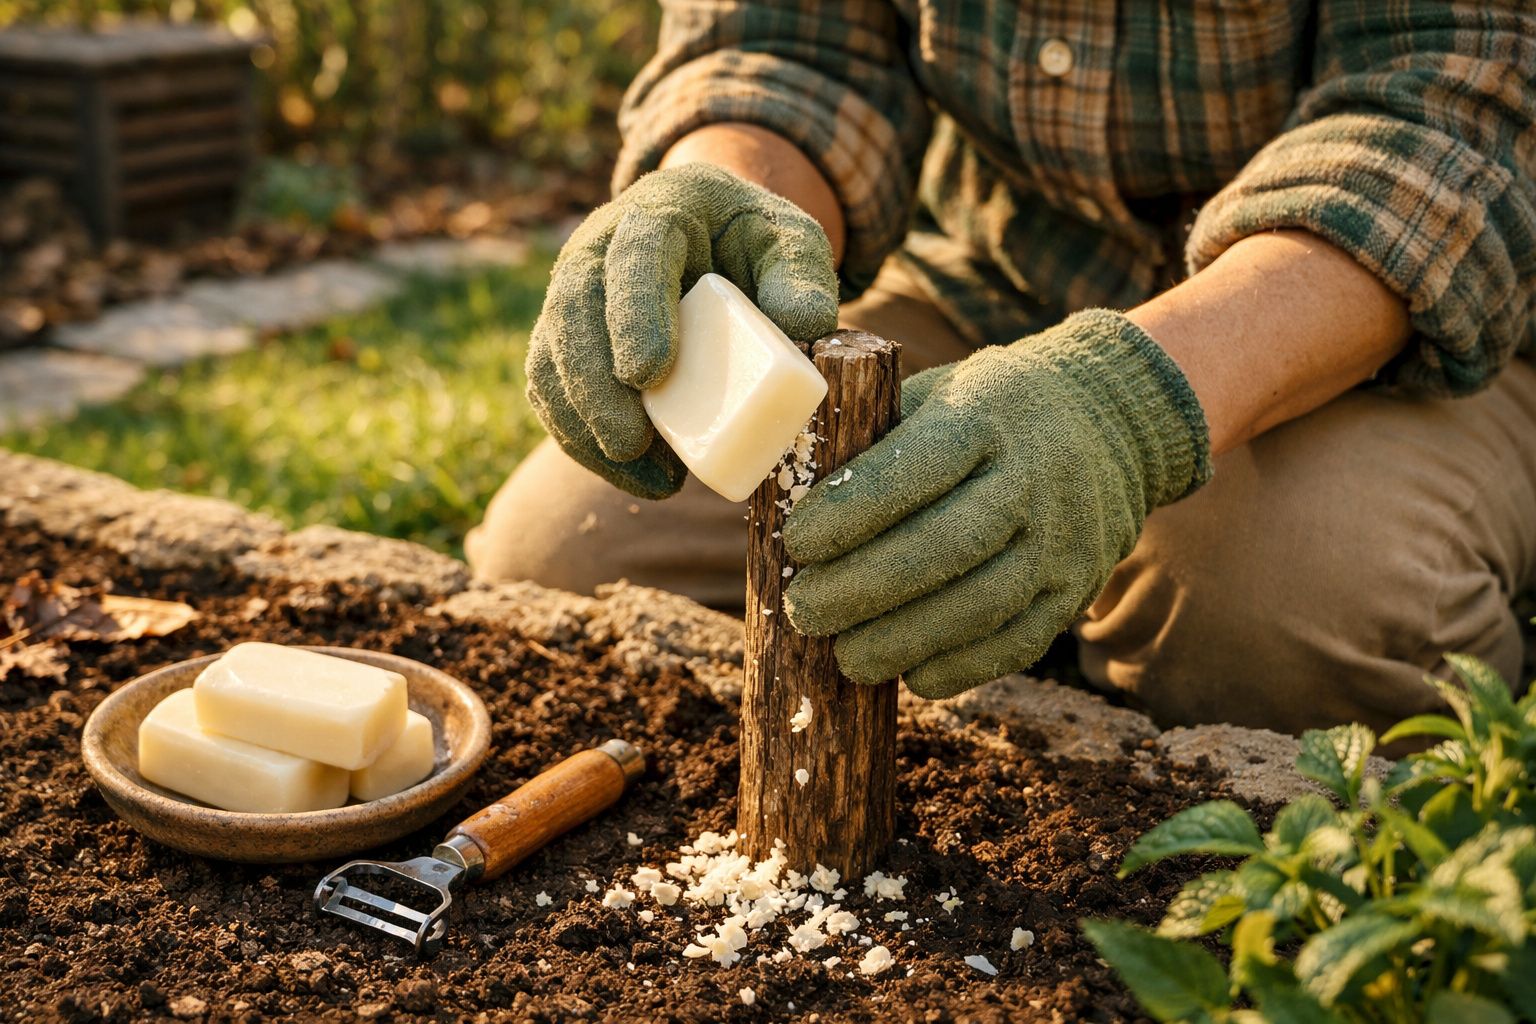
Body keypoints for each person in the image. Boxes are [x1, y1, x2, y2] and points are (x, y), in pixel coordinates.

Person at [466, 1, 1536, 739]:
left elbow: (1449, 119)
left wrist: (1124, 407)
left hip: (1379, 314)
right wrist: (723, 195)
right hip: (1000, 274)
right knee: (566, 551)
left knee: (1285, 622)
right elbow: (779, 44)